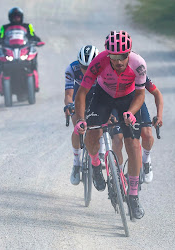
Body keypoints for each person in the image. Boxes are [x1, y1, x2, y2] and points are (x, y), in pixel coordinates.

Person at [74, 30, 147, 219]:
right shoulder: (99, 61)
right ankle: (96, 164)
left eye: (123, 56)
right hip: (103, 97)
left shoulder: (138, 64)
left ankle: (133, 196)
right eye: (114, 57)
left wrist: (131, 113)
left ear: (129, 53)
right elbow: (82, 93)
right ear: (108, 54)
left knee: (133, 145)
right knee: (92, 134)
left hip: (128, 98)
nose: (119, 61)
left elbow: (140, 94)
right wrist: (81, 119)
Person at [64, 45, 106, 186]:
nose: (88, 71)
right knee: (78, 128)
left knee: (98, 128)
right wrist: (68, 105)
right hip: (79, 99)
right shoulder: (72, 69)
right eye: (84, 67)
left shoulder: (105, 68)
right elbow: (69, 95)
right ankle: (76, 164)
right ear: (78, 64)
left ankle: (100, 152)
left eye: (91, 67)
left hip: (97, 99)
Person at [111, 76, 163, 184]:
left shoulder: (138, 72)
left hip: (136, 102)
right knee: (117, 139)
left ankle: (146, 161)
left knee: (147, 134)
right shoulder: (110, 71)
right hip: (115, 105)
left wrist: (159, 116)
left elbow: (157, 93)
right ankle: (118, 172)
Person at [0, 7, 42, 95]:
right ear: (10, 17)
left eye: (18, 16)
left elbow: (33, 35)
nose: (16, 18)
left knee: (33, 59)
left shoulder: (28, 26)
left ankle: (35, 84)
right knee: (1, 62)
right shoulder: (4, 28)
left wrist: (36, 41)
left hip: (23, 49)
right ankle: (2, 88)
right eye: (14, 16)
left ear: (21, 17)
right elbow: (0, 37)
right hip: (10, 51)